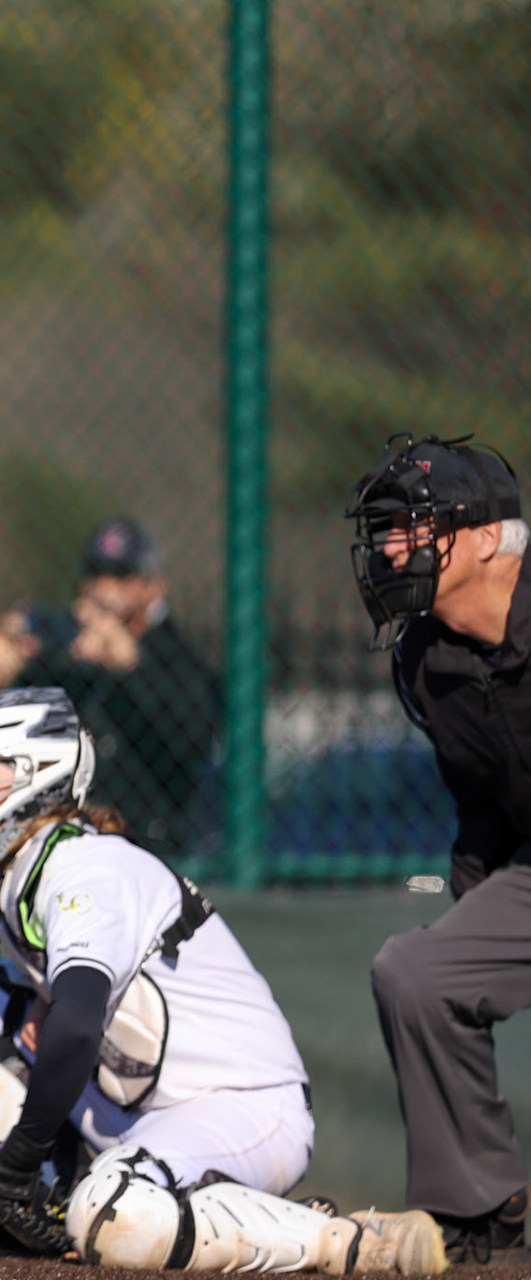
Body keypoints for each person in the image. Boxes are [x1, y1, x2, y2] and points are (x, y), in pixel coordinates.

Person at [0, 686, 444, 1274]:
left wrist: (13, 1156)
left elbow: (80, 1023)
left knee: (114, 1217)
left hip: (241, 1108)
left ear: (40, 773)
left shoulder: (85, 868)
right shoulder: (12, 883)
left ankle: (345, 1241)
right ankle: (49, 1191)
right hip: (137, 1104)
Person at [349, 433, 531, 1266]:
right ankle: (478, 1205)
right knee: (416, 972)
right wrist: (475, 900)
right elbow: (481, 796)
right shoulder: (425, 658)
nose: (392, 547)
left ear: (488, 538)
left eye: (414, 526)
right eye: (384, 529)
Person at [0, 518, 217, 856]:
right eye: (96, 574)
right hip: (62, 843)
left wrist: (131, 668)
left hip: (150, 847)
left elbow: (193, 740)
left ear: (154, 586)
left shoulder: (175, 656)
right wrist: (0, 670)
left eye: (122, 576)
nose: (105, 589)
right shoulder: (66, 646)